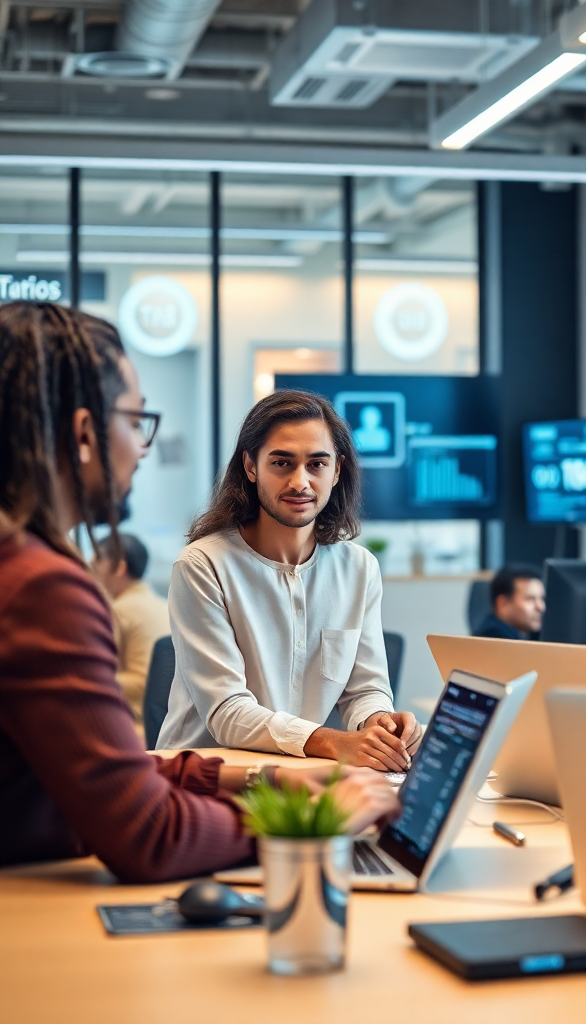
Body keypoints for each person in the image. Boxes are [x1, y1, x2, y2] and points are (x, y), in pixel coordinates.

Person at [0, 302, 398, 880]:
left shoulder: (21, 570)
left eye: (317, 463)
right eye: (136, 422)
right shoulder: (40, 588)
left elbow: (107, 771)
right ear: (86, 433)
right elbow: (148, 832)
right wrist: (312, 816)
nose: (143, 447)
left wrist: (278, 776)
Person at [157, 391, 421, 773]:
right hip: (207, 785)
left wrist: (377, 721)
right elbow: (227, 711)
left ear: (337, 470)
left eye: (317, 464)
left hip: (298, 779)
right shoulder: (203, 565)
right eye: (282, 462)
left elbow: (365, 688)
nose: (301, 482)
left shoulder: (359, 568)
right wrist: (333, 741)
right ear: (251, 466)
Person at [92, 532, 170, 721]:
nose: (91, 571)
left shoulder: (118, 610)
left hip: (138, 724)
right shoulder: (162, 603)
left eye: (96, 564)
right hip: (163, 720)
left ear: (119, 568)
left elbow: (141, 682)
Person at [474, 564, 546, 640]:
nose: (540, 607)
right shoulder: (493, 639)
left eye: (542, 599)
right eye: (530, 599)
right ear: (503, 603)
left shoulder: (530, 635)